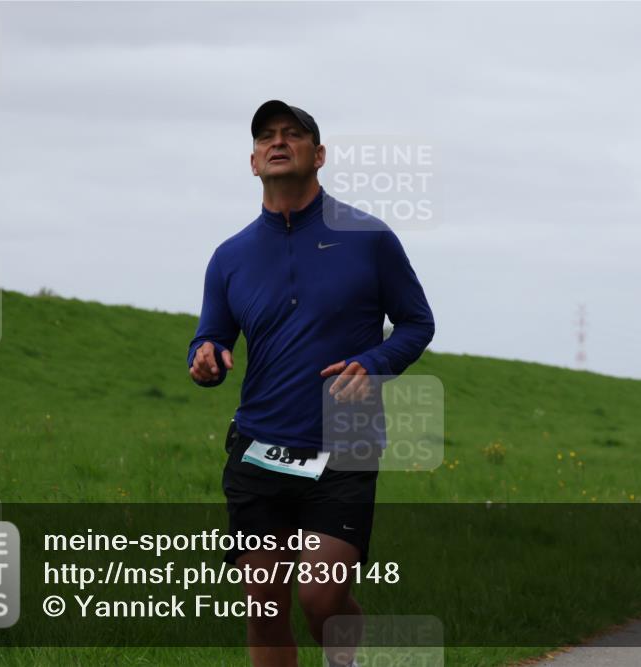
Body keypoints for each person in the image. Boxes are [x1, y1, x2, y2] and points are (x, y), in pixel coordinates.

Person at [187, 100, 435, 667]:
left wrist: (373, 364)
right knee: (264, 607)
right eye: (266, 136)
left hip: (344, 444)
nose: (278, 141)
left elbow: (418, 323)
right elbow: (210, 337)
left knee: (321, 596)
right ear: (253, 162)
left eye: (293, 134)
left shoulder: (369, 238)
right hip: (259, 448)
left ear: (317, 155)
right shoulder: (229, 257)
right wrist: (203, 358)